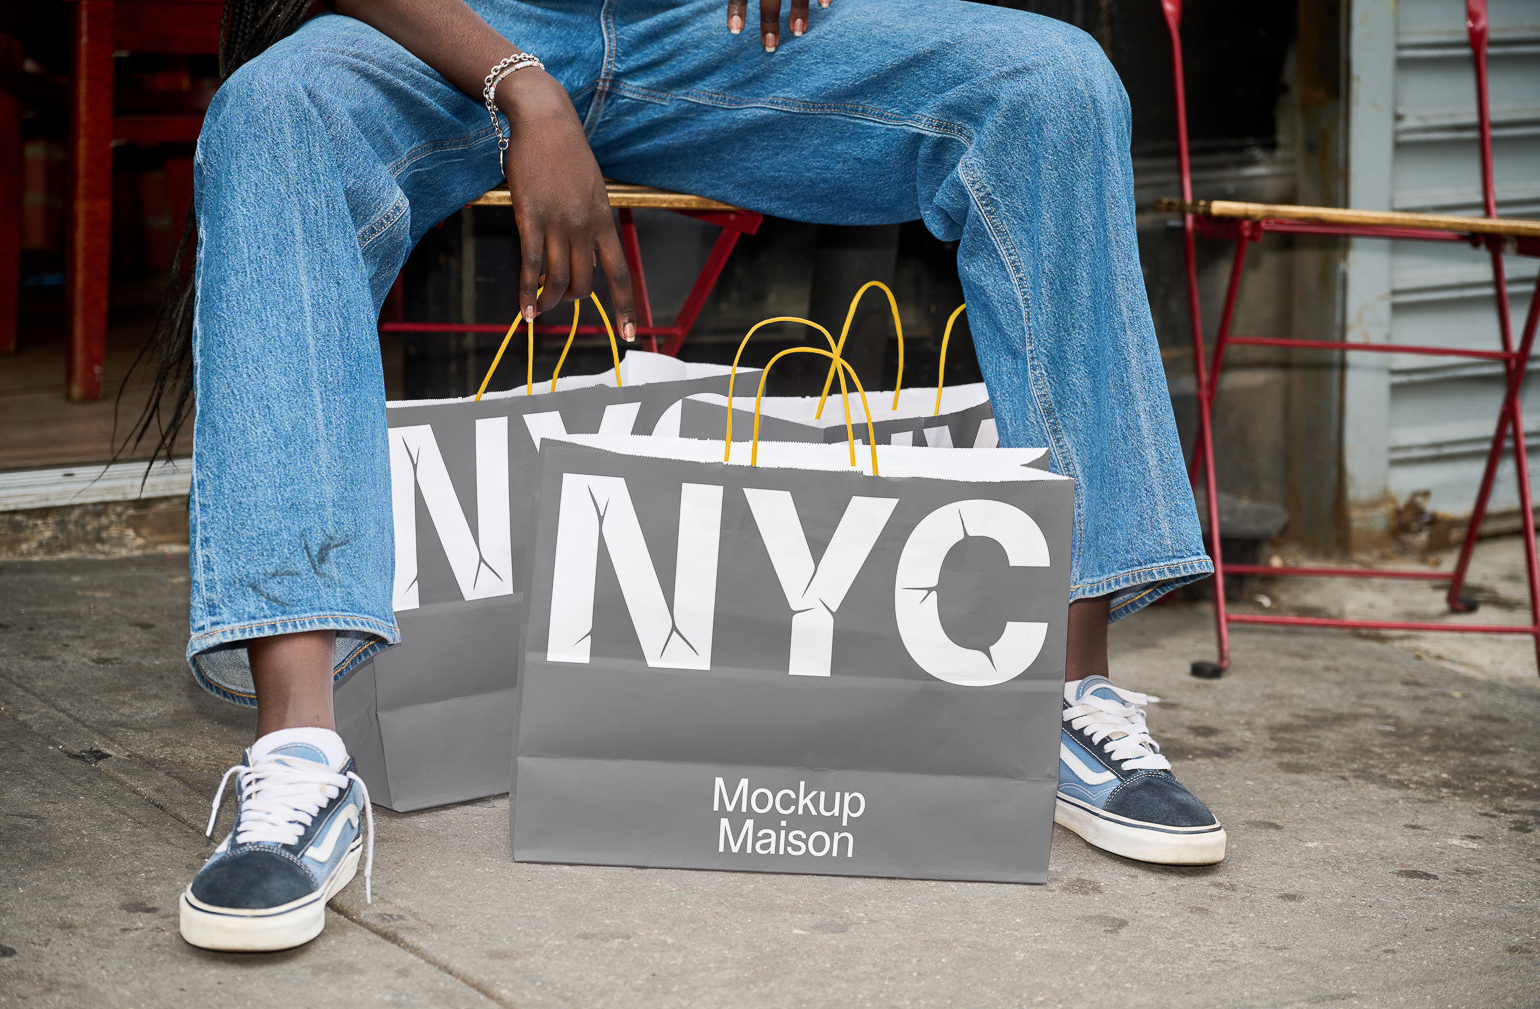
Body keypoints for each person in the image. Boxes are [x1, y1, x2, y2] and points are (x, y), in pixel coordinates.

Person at [154, 0, 1224, 953]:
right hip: (445, 35)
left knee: (1051, 83)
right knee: (273, 111)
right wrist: (518, 81)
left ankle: (1067, 688)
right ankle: (299, 757)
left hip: (713, 31)